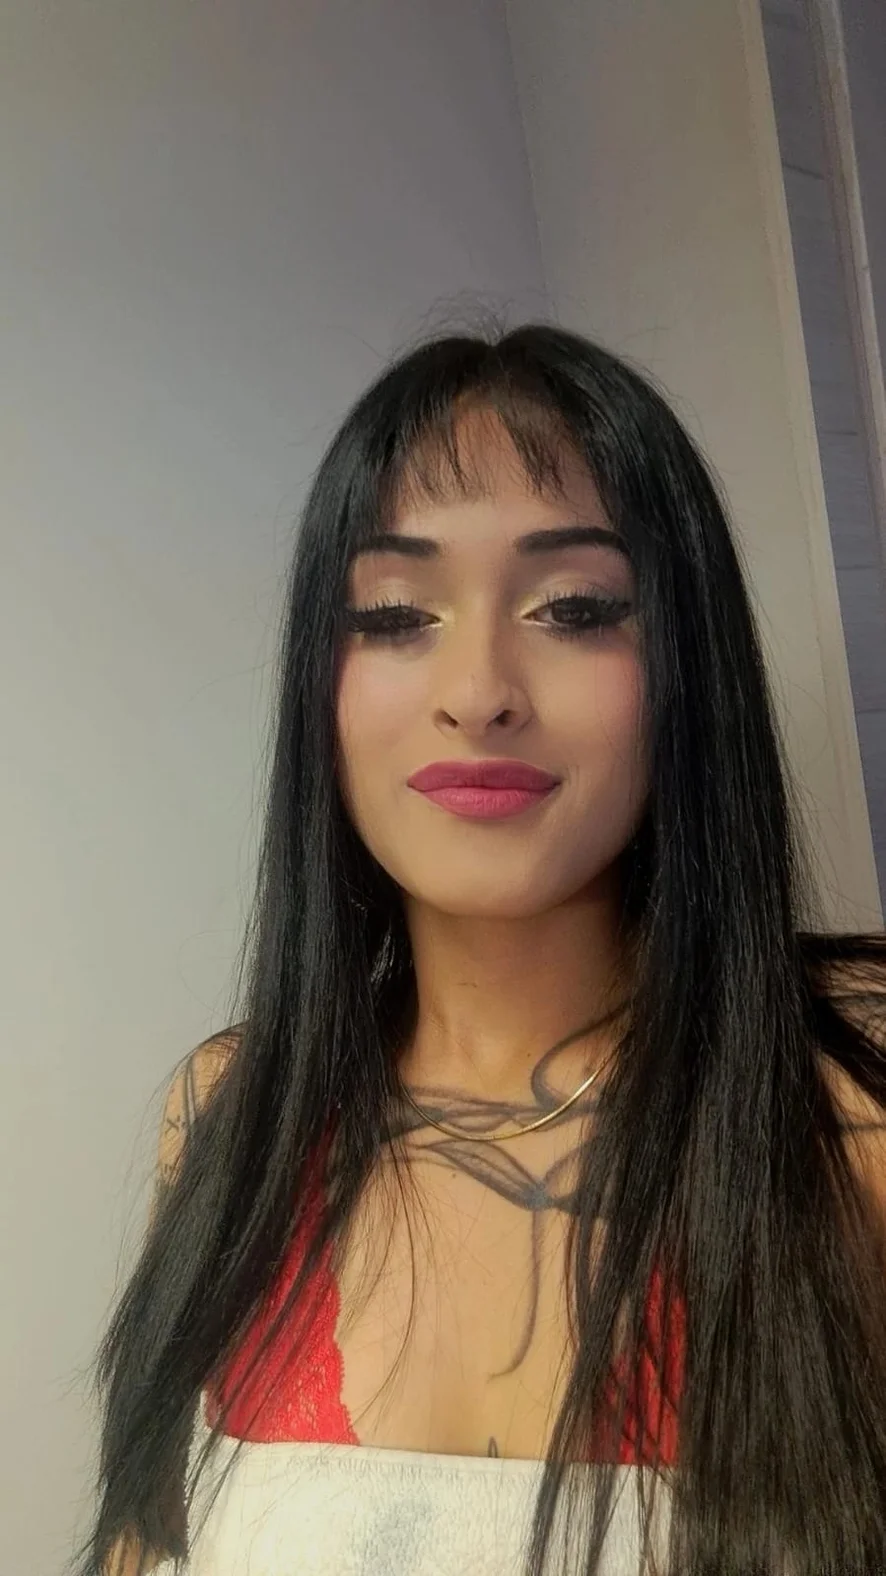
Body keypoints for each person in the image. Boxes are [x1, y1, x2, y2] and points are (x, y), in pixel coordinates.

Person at [70, 320, 886, 1576]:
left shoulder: (845, 1107)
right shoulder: (232, 1114)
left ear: (687, 662)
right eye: (396, 615)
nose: (478, 689)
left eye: (574, 608)